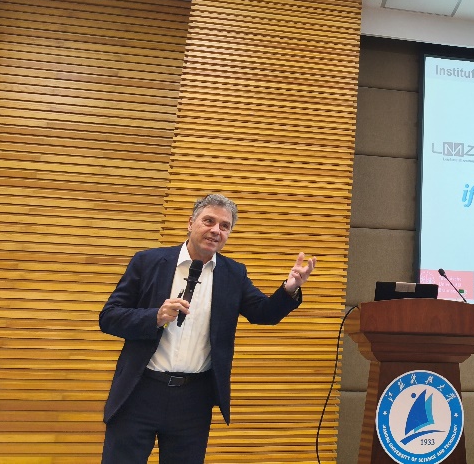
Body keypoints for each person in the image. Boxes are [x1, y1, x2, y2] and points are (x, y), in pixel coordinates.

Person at [99, 193, 316, 463]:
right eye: (209, 221)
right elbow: (109, 317)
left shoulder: (233, 274)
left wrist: (290, 289)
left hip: (193, 399)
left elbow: (264, 313)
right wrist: (155, 316)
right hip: (139, 390)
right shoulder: (148, 262)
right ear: (191, 223)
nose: (216, 230)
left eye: (225, 226)